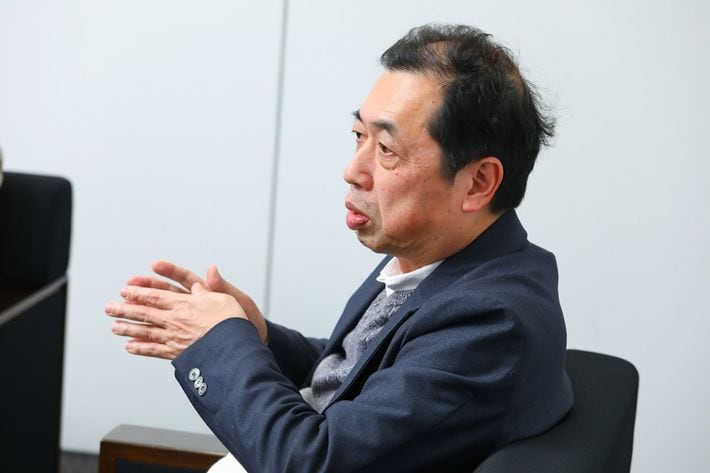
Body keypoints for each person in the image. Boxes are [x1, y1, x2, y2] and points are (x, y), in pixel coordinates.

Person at [105, 24, 573, 473]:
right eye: (358, 136)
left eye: (386, 149)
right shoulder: (434, 258)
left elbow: (311, 463)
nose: (353, 171)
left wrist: (220, 343)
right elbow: (358, 378)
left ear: (479, 182)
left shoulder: (490, 322)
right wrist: (258, 337)